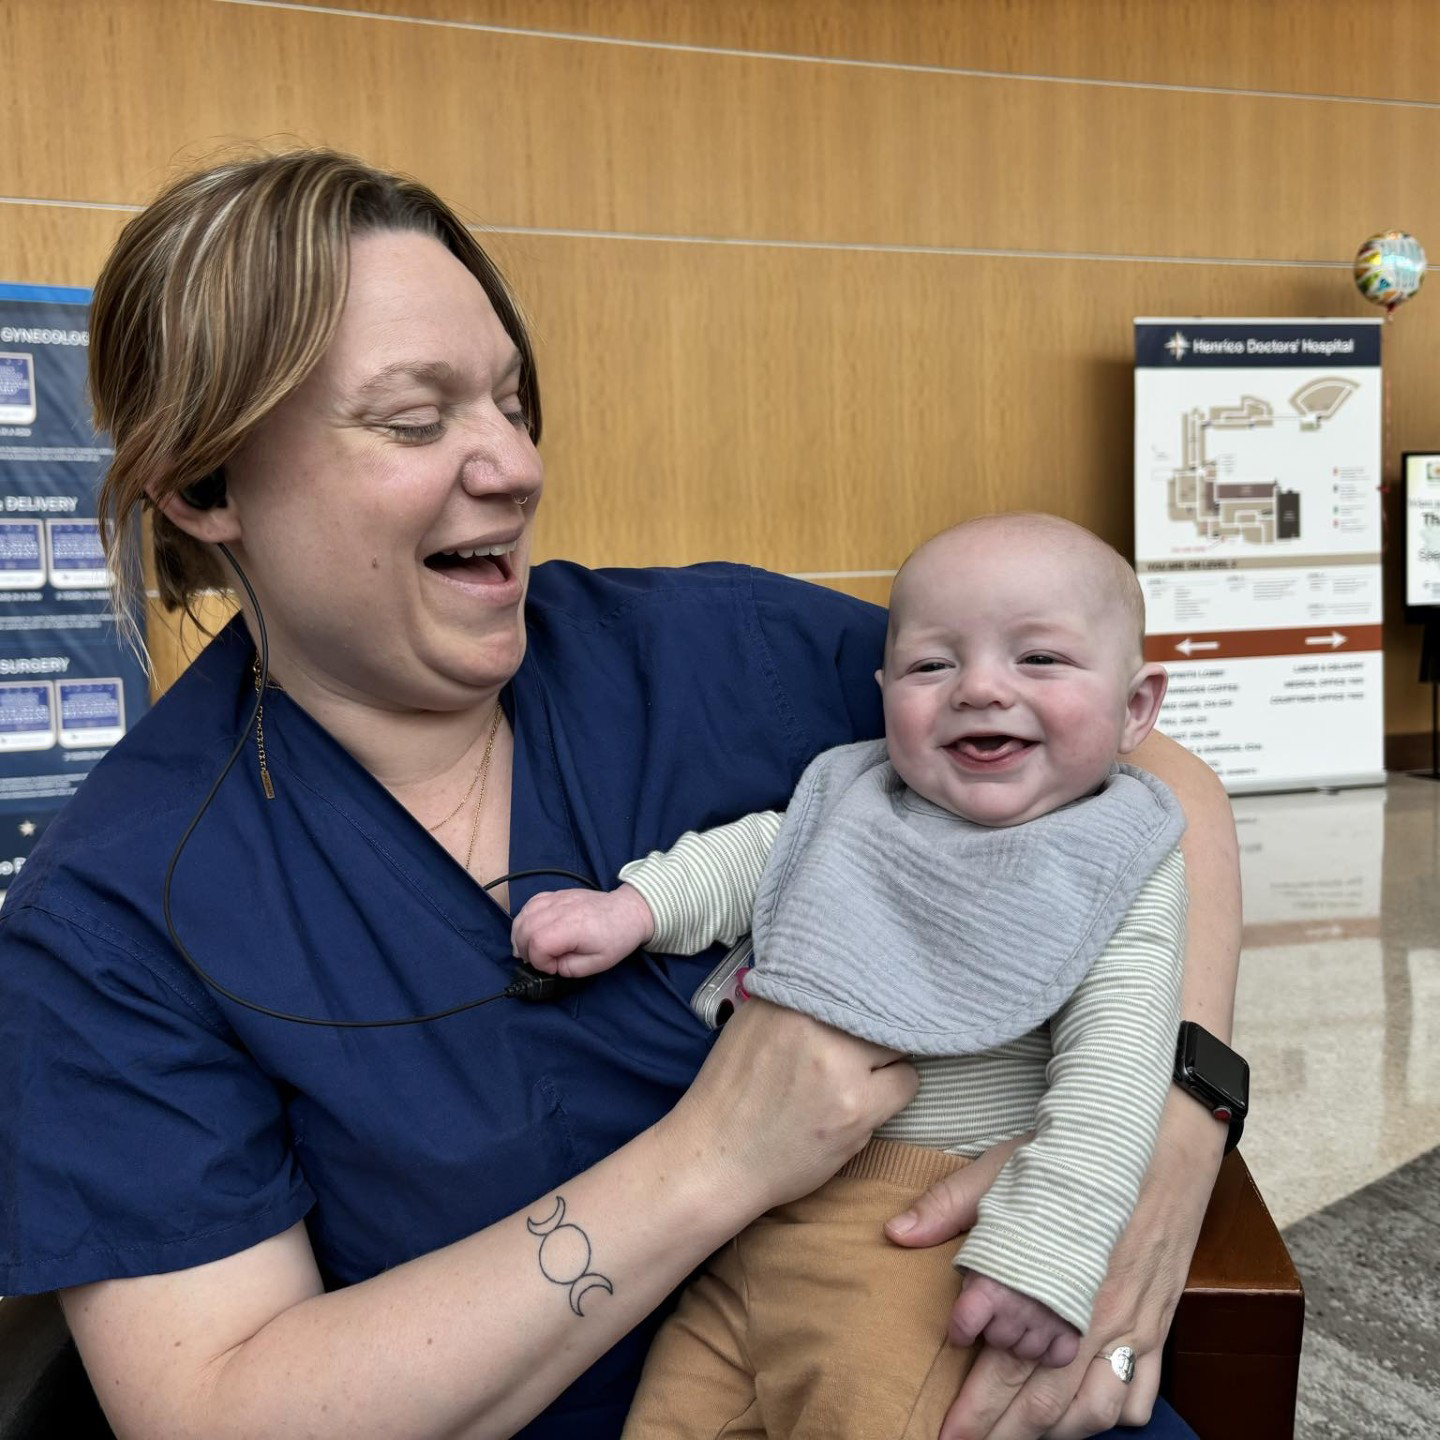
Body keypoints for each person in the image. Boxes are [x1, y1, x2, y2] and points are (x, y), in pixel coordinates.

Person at [0, 149, 1239, 1440]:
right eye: (418, 420)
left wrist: (1168, 1130)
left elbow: (1158, 785)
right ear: (206, 486)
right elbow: (216, 1408)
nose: (515, 466)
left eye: (512, 403)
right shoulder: (117, 917)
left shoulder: (711, 654)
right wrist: (713, 1162)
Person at [512, 514, 1187, 1437]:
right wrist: (632, 908)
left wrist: (1047, 1257)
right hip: (747, 1229)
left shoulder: (1117, 859)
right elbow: (761, 857)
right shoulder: (860, 795)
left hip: (915, 1241)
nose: (980, 688)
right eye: (930, 666)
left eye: (1040, 660)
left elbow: (1117, 1078)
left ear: (1137, 708)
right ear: (883, 694)